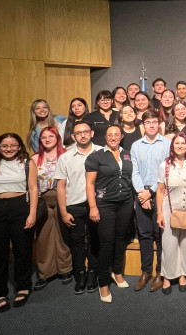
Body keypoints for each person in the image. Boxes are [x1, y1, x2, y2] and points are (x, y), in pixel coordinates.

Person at [0, 133, 37, 312]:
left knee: (22, 250)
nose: (8, 148)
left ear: (19, 147)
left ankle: (23, 286)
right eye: (4, 146)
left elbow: (34, 189)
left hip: (20, 208)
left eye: (13, 145)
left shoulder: (27, 164)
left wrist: (32, 213)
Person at [85, 125, 134, 303]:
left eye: (116, 134)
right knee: (106, 243)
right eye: (109, 135)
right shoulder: (96, 157)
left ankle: (117, 272)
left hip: (126, 203)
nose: (113, 137)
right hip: (104, 204)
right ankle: (103, 283)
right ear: (105, 137)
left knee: (121, 239)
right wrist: (93, 207)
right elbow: (90, 184)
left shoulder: (128, 154)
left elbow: (131, 177)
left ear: (121, 136)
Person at [54, 121, 102, 295]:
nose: (83, 135)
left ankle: (92, 272)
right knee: (77, 241)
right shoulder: (65, 157)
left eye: (86, 132)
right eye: (78, 133)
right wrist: (63, 211)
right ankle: (80, 273)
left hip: (96, 205)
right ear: (73, 137)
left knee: (95, 239)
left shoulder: (102, 153)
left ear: (92, 133)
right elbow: (61, 186)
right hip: (74, 204)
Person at [130, 110, 171, 292]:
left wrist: (151, 191)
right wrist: (142, 193)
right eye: (148, 122)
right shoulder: (135, 146)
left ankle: (160, 272)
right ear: (143, 125)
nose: (152, 125)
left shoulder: (168, 144)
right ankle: (145, 272)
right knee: (144, 235)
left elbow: (168, 171)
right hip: (141, 193)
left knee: (160, 235)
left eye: (155, 122)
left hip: (161, 193)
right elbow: (134, 171)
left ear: (159, 124)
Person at [31, 127, 73, 291]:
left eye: (51, 136)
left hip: (64, 197)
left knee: (63, 234)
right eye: (43, 137)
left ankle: (65, 269)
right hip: (42, 199)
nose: (47, 139)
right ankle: (45, 272)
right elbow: (31, 184)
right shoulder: (34, 159)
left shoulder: (67, 154)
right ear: (40, 141)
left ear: (57, 137)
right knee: (43, 237)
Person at [156, 132, 186, 294]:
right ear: (172, 146)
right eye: (177, 143)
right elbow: (160, 191)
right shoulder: (165, 166)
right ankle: (167, 276)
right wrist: (159, 213)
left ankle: (182, 274)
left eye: (183, 143)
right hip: (169, 210)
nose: (180, 146)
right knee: (169, 244)